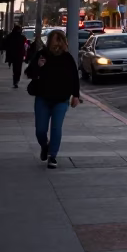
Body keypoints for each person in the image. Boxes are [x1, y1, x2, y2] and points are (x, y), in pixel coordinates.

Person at [24, 29, 80, 168]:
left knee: (56, 128)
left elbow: (74, 78)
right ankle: (45, 146)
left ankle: (52, 156)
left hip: (61, 99)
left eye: (60, 40)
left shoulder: (67, 58)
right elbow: (29, 73)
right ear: (49, 42)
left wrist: (76, 96)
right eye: (56, 40)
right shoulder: (42, 55)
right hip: (43, 98)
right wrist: (39, 66)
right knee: (40, 130)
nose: (58, 44)